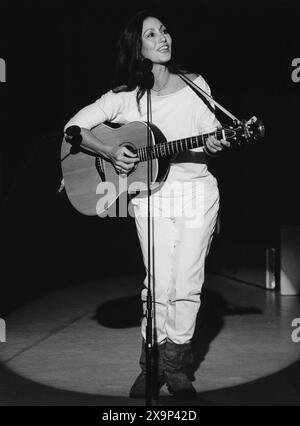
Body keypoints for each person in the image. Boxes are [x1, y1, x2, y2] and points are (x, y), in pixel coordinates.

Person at [64, 9, 230, 400]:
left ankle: (177, 368)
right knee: (156, 285)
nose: (163, 38)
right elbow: (74, 128)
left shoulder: (195, 85)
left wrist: (215, 143)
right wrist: (109, 149)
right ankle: (150, 365)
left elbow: (209, 138)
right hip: (150, 196)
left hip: (195, 192)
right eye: (151, 34)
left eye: (164, 31)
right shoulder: (124, 97)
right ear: (136, 47)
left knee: (187, 284)